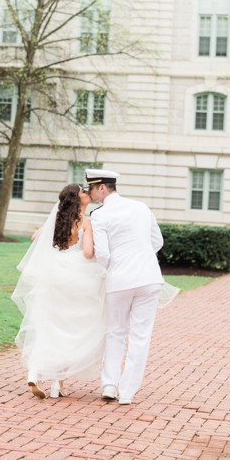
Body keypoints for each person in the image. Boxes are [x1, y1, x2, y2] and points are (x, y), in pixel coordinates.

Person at [11, 183, 106, 400]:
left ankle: (36, 373)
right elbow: (88, 253)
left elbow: (36, 238)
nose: (86, 193)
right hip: (76, 278)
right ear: (77, 198)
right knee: (67, 328)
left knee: (48, 324)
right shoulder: (85, 222)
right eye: (83, 191)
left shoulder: (56, 219)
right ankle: (56, 384)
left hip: (53, 275)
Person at [85, 168, 168, 406]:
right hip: (150, 278)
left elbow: (102, 253)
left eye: (91, 188)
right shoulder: (141, 207)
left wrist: (118, 266)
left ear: (102, 187)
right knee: (141, 336)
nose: (90, 193)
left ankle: (110, 384)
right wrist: (139, 258)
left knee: (116, 332)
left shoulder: (100, 215)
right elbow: (157, 242)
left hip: (120, 279)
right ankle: (128, 392)